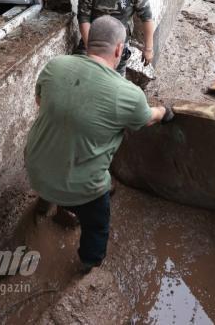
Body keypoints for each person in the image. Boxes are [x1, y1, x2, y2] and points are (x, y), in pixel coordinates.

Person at [25, 16, 172, 273]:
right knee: (97, 225)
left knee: (63, 146)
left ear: (88, 41)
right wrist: (163, 111)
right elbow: (146, 120)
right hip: (83, 187)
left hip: (35, 170)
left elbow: (41, 102)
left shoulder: (55, 65)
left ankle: (48, 204)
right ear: (118, 50)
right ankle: (89, 264)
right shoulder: (127, 93)